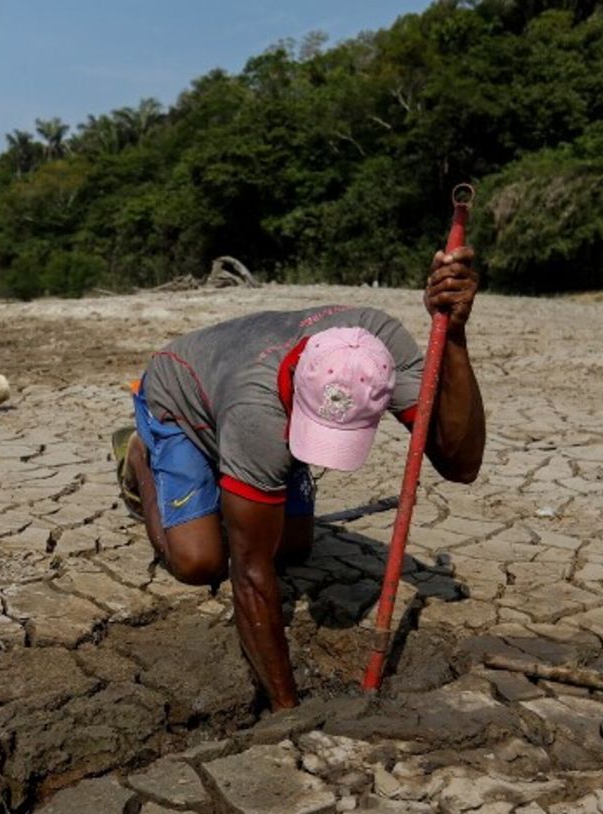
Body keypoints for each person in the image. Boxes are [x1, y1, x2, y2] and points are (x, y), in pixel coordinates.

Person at [114, 247, 485, 711]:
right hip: (181, 396)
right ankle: (140, 455)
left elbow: (460, 463)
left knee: (293, 549)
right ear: (296, 396)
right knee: (199, 563)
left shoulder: (377, 347)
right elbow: (248, 574)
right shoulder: (259, 415)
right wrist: (287, 710)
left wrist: (454, 335)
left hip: (243, 401)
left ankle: (232, 482)